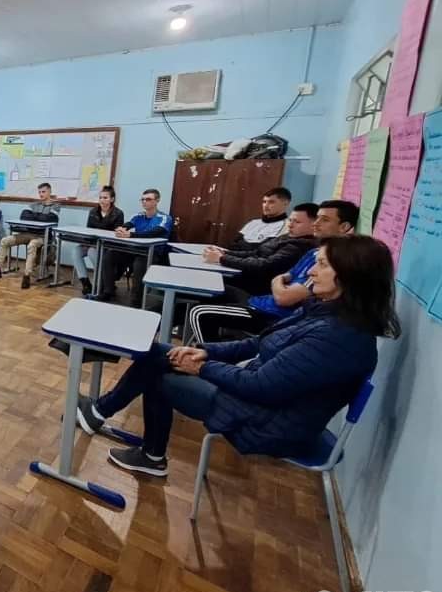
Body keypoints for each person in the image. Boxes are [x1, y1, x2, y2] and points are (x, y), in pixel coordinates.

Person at [74, 235, 399, 477]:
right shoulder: (323, 312)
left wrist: (201, 368)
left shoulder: (339, 338)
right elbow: (257, 344)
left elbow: (261, 386)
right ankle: (105, 415)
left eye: (322, 264)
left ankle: (147, 452)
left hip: (268, 421)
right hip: (260, 400)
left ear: (350, 276)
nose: (311, 271)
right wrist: (203, 351)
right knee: (158, 352)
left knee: (158, 375)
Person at [188, 200, 359, 343]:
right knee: (211, 291)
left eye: (324, 220)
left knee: (200, 312)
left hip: (275, 314)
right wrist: (224, 254)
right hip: (266, 301)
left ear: (344, 226)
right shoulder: (313, 251)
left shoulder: (331, 259)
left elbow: (285, 296)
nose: (316, 223)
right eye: (317, 219)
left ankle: (206, 360)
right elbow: (284, 274)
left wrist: (278, 283)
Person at [201, 203, 318, 296]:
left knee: (209, 281)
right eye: (290, 220)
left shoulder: (300, 246)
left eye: (297, 222)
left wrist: (222, 258)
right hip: (249, 276)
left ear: (314, 224)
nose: (290, 225)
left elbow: (263, 265)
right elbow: (256, 252)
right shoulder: (288, 237)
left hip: (257, 286)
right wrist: (225, 252)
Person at [95, 188, 172, 304]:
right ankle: (107, 291)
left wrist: (131, 235)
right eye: (143, 199)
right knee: (110, 255)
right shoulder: (139, 216)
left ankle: (136, 301)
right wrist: (122, 229)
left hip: (153, 253)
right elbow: (128, 224)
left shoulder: (164, 218)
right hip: (135, 249)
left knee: (139, 264)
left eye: (148, 199)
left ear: (157, 201)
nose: (145, 202)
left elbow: (154, 232)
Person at [0, 182, 61, 289]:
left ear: (49, 192)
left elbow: (50, 219)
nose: (41, 194)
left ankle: (26, 276)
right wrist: (40, 216)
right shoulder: (34, 204)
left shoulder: (55, 206)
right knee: (5, 240)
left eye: (43, 192)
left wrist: (34, 216)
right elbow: (24, 216)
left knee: (32, 245)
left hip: (43, 236)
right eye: (39, 192)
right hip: (28, 233)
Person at [71, 186, 124, 293]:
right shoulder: (93, 211)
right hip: (92, 243)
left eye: (105, 198)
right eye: (100, 198)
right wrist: (86, 242)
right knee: (76, 251)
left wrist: (94, 244)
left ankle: (105, 282)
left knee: (91, 252)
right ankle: (85, 283)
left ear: (112, 199)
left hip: (107, 246)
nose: (102, 200)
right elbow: (88, 230)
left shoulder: (118, 213)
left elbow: (115, 234)